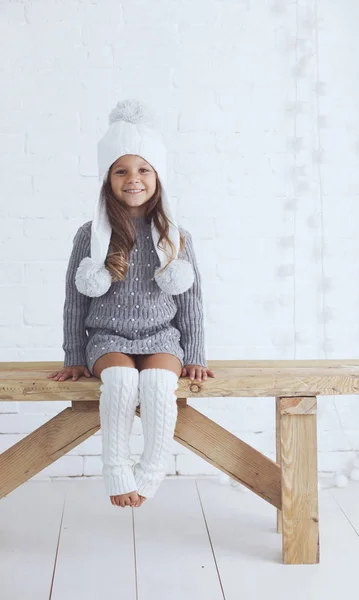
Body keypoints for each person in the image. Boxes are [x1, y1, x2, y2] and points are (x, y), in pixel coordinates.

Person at [47, 99, 215, 509]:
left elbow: (191, 300)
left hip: (161, 338)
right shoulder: (91, 235)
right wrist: (73, 354)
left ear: (157, 176)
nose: (133, 178)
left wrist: (193, 353)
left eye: (143, 169)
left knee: (159, 385)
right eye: (121, 170)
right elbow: (74, 301)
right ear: (107, 179)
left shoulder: (176, 236)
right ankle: (116, 470)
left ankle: (151, 471)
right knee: (120, 383)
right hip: (108, 339)